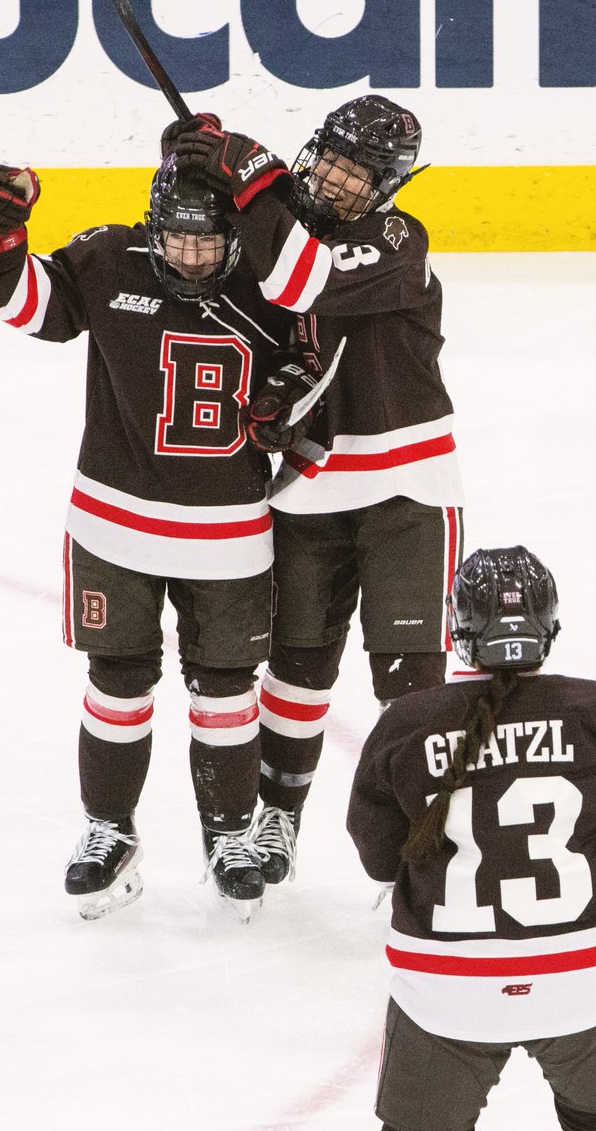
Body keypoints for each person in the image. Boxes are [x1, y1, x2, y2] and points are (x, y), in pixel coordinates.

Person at [0, 155, 310, 922]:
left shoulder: (272, 282)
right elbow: (25, 305)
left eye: (208, 245)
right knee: (117, 681)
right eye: (177, 243)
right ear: (154, 232)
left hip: (230, 537)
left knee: (226, 691)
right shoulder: (108, 256)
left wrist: (295, 408)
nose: (191, 258)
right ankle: (108, 831)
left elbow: (320, 367)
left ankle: (229, 836)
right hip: (113, 524)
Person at [172, 97, 464, 883]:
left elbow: (306, 281)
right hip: (309, 488)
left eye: (357, 172)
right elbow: (199, 256)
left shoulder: (398, 239)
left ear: (388, 185)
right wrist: (196, 163)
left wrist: (250, 178)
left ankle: (425, 837)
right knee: (296, 672)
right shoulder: (280, 232)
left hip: (407, 489)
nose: (335, 180)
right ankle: (277, 818)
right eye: (330, 159)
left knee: (411, 687)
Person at [346, 545, 596, 1131]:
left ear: (456, 630)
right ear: (551, 628)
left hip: (446, 990)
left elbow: (378, 858)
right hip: (590, 982)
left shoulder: (404, 723)